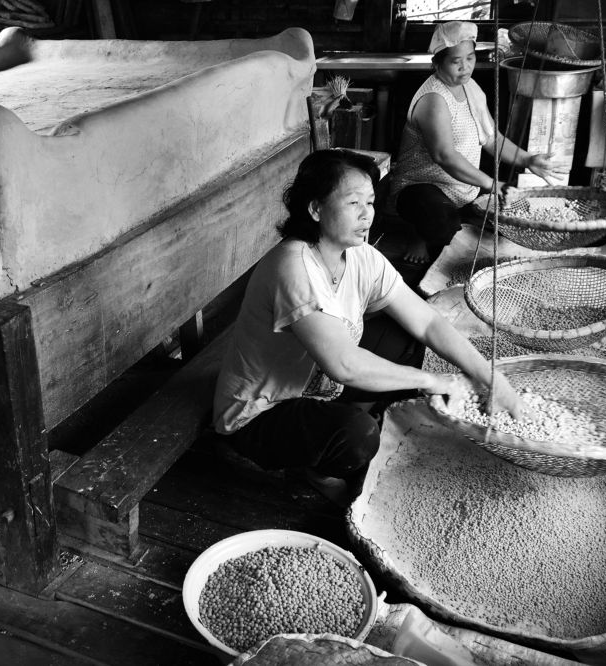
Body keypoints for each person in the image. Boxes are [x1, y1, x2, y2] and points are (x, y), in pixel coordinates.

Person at [212, 149, 532, 507]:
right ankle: (316, 471)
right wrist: (432, 381)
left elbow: (427, 322)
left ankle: (352, 418)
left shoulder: (359, 254)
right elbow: (344, 365)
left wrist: (491, 378)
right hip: (261, 412)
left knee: (407, 337)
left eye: (370, 202)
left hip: (317, 388)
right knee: (355, 435)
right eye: (353, 203)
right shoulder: (293, 267)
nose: (367, 214)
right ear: (316, 209)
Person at [390, 20, 563, 266]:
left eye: (470, 58)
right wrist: (491, 184)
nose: (465, 67)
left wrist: (528, 159)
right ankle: (418, 233)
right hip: (421, 187)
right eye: (456, 61)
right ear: (437, 63)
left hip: (463, 188)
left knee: (510, 219)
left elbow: (492, 138)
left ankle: (457, 220)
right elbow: (445, 156)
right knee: (441, 223)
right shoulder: (434, 99)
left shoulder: (470, 87)